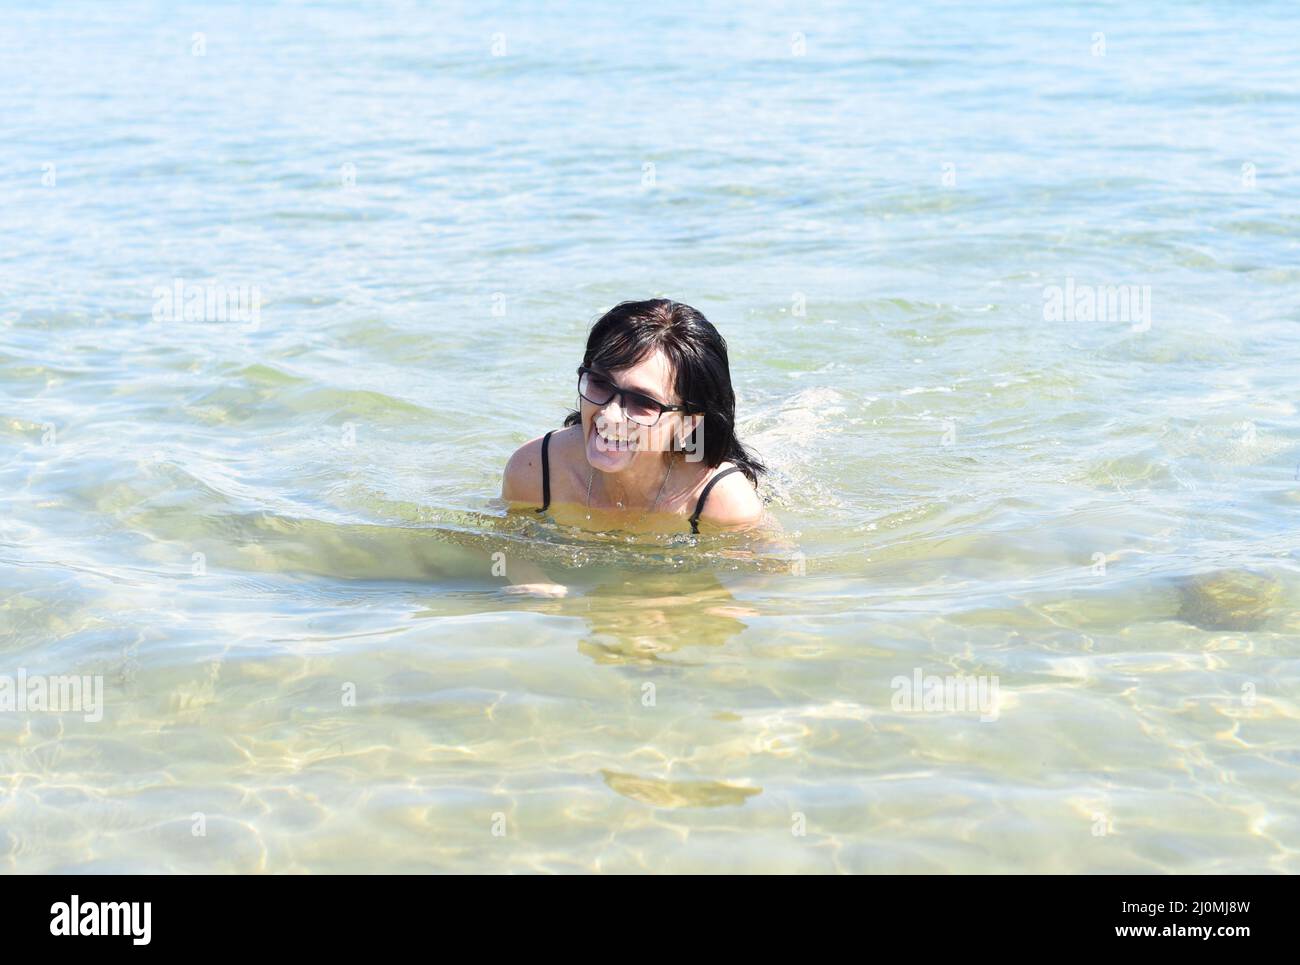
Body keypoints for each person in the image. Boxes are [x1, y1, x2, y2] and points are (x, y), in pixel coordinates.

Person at [503, 299, 765, 534]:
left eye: (642, 401)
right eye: (600, 383)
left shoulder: (723, 502)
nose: (609, 414)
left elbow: (763, 576)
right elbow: (511, 547)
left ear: (689, 423)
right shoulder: (535, 469)